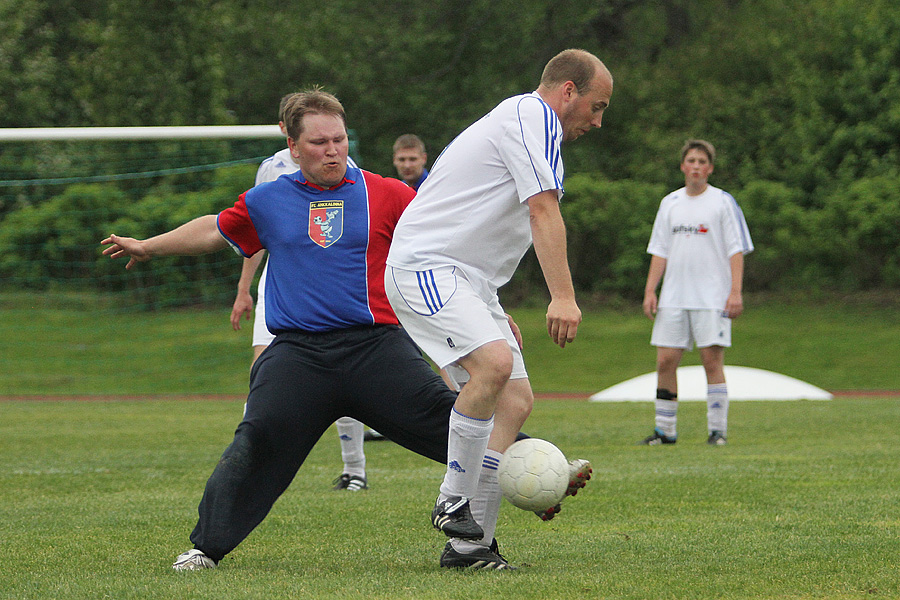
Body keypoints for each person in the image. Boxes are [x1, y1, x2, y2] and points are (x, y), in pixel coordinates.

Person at [102, 88, 571, 572]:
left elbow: (443, 244)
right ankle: (205, 548)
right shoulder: (267, 200)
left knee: (446, 418)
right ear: (292, 145)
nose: (332, 150)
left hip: (377, 351)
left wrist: (478, 304)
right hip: (298, 356)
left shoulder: (387, 193)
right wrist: (149, 246)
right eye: (320, 142)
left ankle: (532, 467)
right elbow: (213, 230)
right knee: (257, 439)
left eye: (340, 140)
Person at [384, 48, 609, 561]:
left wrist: (486, 299)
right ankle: (452, 499)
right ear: (568, 91)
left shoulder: (527, 123)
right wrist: (564, 296)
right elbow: (542, 209)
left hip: (467, 279)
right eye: (597, 106)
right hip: (426, 266)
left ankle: (470, 547)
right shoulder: (533, 115)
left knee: (514, 400)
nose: (598, 122)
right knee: (495, 364)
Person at [230, 95, 369, 491]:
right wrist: (244, 289)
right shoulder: (270, 169)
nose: (329, 149)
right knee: (262, 379)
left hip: (328, 289)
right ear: (288, 136)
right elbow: (253, 233)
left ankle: (354, 470)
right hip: (279, 286)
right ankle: (248, 471)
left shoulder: (346, 169)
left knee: (348, 384)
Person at [639, 139, 754, 446]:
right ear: (682, 166)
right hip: (674, 296)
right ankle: (665, 431)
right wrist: (651, 290)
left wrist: (735, 292)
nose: (696, 167)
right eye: (691, 161)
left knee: (711, 361)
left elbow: (736, 250)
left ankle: (717, 431)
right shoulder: (670, 203)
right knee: (665, 360)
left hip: (711, 297)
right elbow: (660, 250)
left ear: (710, 168)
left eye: (702, 162)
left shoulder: (722, 202)